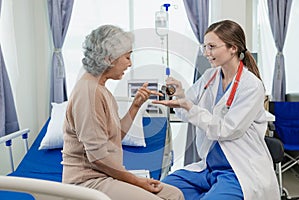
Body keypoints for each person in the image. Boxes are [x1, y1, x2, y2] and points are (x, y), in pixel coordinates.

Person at [152, 20, 280, 200]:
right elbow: (186, 113)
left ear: (233, 48)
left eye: (211, 47)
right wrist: (180, 97)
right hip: (208, 168)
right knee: (159, 190)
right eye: (205, 47)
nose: (206, 53)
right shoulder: (209, 77)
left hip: (238, 170)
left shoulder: (251, 86)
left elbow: (226, 129)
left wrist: (189, 106)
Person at [61, 25, 184, 200]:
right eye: (127, 57)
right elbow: (98, 158)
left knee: (174, 194)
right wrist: (136, 181)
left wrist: (135, 106)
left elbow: (114, 137)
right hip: (87, 182)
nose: (130, 63)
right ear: (108, 59)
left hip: (105, 176)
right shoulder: (88, 93)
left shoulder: (100, 89)